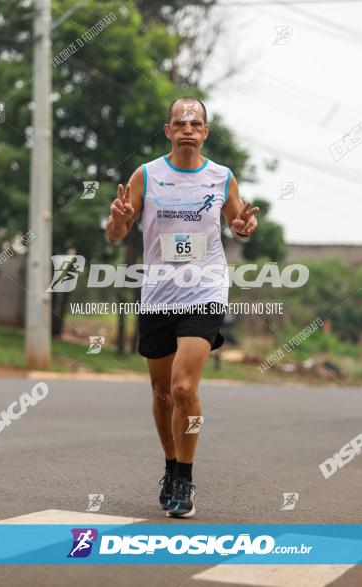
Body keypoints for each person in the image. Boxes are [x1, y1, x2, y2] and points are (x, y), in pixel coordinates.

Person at [105, 96, 259, 518]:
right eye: (180, 122)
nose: (188, 128)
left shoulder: (221, 177)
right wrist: (118, 218)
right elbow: (117, 233)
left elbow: (238, 223)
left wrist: (244, 226)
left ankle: (185, 478)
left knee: (183, 388)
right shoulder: (147, 175)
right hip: (157, 293)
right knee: (160, 394)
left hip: (204, 290)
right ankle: (172, 465)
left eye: (196, 122)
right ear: (169, 131)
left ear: (205, 132)